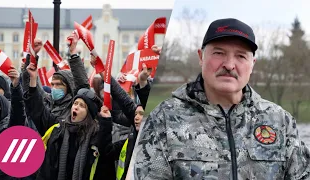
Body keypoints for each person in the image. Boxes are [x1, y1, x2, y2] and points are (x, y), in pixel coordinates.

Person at [132, 18, 310, 179]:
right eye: (219, 53)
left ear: (252, 65)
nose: (229, 65)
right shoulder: (164, 119)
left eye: (240, 56)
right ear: (201, 57)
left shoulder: (279, 121)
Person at [37, 88, 114, 180]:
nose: (76, 107)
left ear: (88, 114)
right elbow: (46, 169)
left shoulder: (96, 136)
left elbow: (106, 158)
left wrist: (106, 122)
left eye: (82, 106)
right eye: (75, 103)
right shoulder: (58, 131)